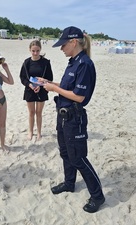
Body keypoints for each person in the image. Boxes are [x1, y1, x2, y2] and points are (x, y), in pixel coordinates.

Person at [38, 26, 105, 213]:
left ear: (73, 42)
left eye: (63, 45)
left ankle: (98, 196)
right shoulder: (73, 62)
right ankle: (69, 183)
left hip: (75, 117)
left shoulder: (84, 64)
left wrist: (55, 90)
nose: (61, 48)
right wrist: (49, 83)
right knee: (66, 153)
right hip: (63, 116)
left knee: (78, 158)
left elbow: (79, 96)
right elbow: (67, 86)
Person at [19, 40, 53, 141]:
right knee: (31, 112)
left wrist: (40, 85)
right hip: (30, 90)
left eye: (37, 51)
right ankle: (30, 131)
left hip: (41, 90)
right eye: (33, 51)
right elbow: (22, 77)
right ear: (30, 50)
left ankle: (38, 132)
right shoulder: (26, 62)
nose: (35, 53)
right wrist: (30, 85)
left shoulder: (45, 62)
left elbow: (49, 78)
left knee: (39, 112)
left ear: (40, 50)